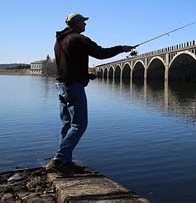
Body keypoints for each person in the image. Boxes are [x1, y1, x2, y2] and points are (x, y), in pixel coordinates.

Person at [45, 13, 133, 176]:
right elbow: (101, 53)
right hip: (73, 86)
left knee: (67, 124)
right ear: (76, 24)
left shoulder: (59, 42)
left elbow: (69, 64)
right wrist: (122, 48)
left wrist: (86, 75)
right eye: (83, 22)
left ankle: (66, 162)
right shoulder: (79, 39)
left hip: (61, 85)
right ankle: (59, 159)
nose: (85, 25)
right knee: (79, 124)